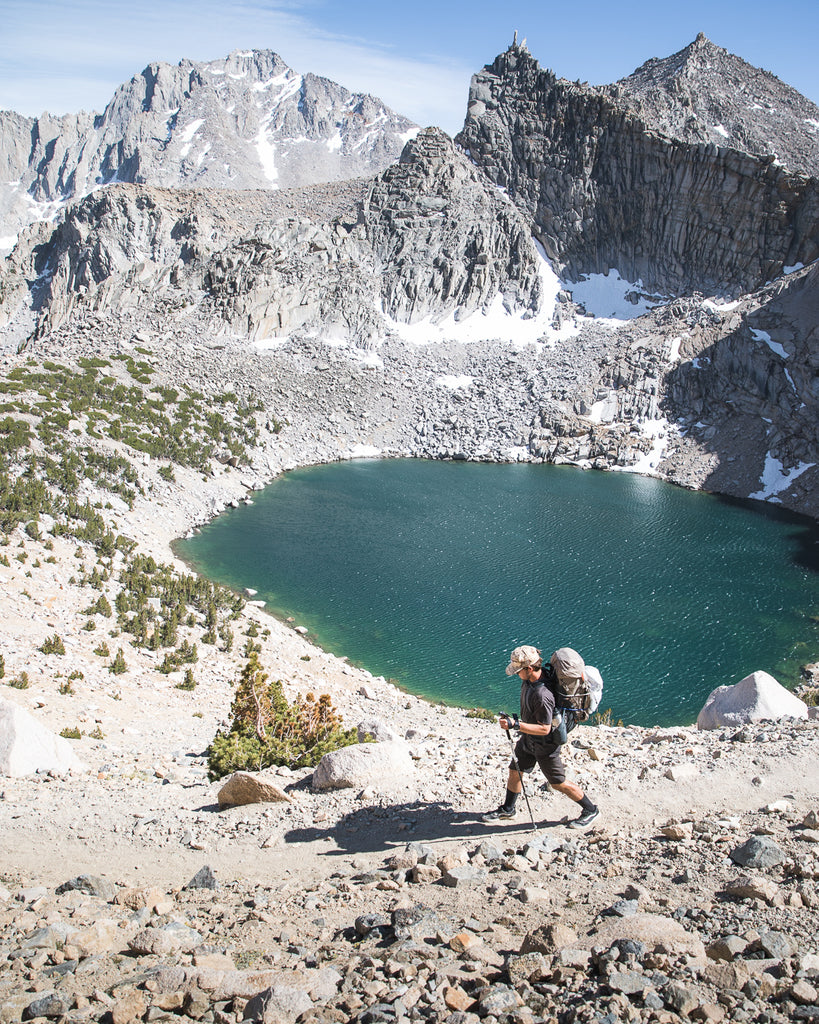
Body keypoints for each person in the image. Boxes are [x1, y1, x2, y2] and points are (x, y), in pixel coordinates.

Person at [482, 645, 600, 829]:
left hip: (545, 745)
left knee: (558, 782)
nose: (516, 674)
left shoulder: (543, 695)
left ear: (529, 668)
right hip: (528, 739)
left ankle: (591, 810)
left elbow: (545, 729)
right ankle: (508, 809)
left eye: (518, 670)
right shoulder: (530, 681)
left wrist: (516, 725)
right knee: (515, 770)